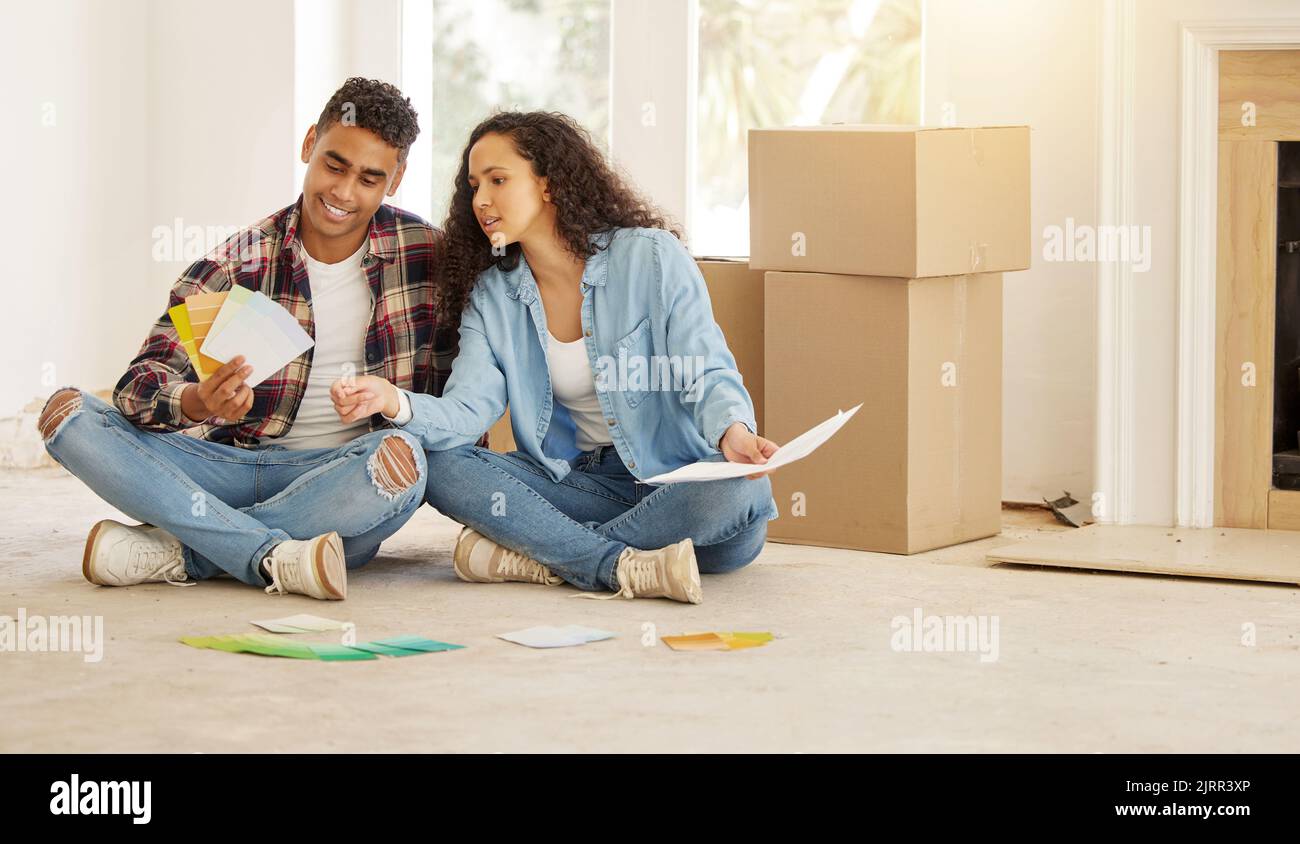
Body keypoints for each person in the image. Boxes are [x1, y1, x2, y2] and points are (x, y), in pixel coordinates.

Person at [335, 111, 780, 604]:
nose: (481, 200)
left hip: (678, 488)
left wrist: (732, 430)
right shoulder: (492, 295)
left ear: (548, 183)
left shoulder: (651, 258)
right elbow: (466, 412)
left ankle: (545, 552)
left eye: (499, 180)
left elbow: (705, 368)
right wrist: (394, 401)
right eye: (474, 185)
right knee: (438, 462)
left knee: (740, 493)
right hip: (576, 485)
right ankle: (609, 564)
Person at [38, 78, 454, 601]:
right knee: (70, 416)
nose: (345, 193)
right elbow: (137, 388)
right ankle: (274, 555)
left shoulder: (429, 257)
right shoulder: (238, 261)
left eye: (370, 178)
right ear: (309, 145)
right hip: (225, 467)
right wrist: (196, 401)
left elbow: (457, 402)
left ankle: (186, 549)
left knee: (402, 463)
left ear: (395, 180)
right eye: (334, 165)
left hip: (342, 477)